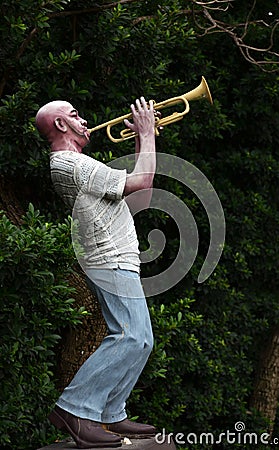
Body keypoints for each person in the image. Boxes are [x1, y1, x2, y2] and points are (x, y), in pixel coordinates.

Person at [35, 97, 157, 449]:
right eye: (75, 115)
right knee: (129, 336)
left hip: (119, 257)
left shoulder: (81, 163)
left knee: (141, 339)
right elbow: (144, 178)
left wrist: (139, 140)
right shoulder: (70, 164)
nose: (84, 120)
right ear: (61, 125)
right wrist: (148, 132)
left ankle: (109, 412)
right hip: (108, 258)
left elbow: (142, 191)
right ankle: (73, 409)